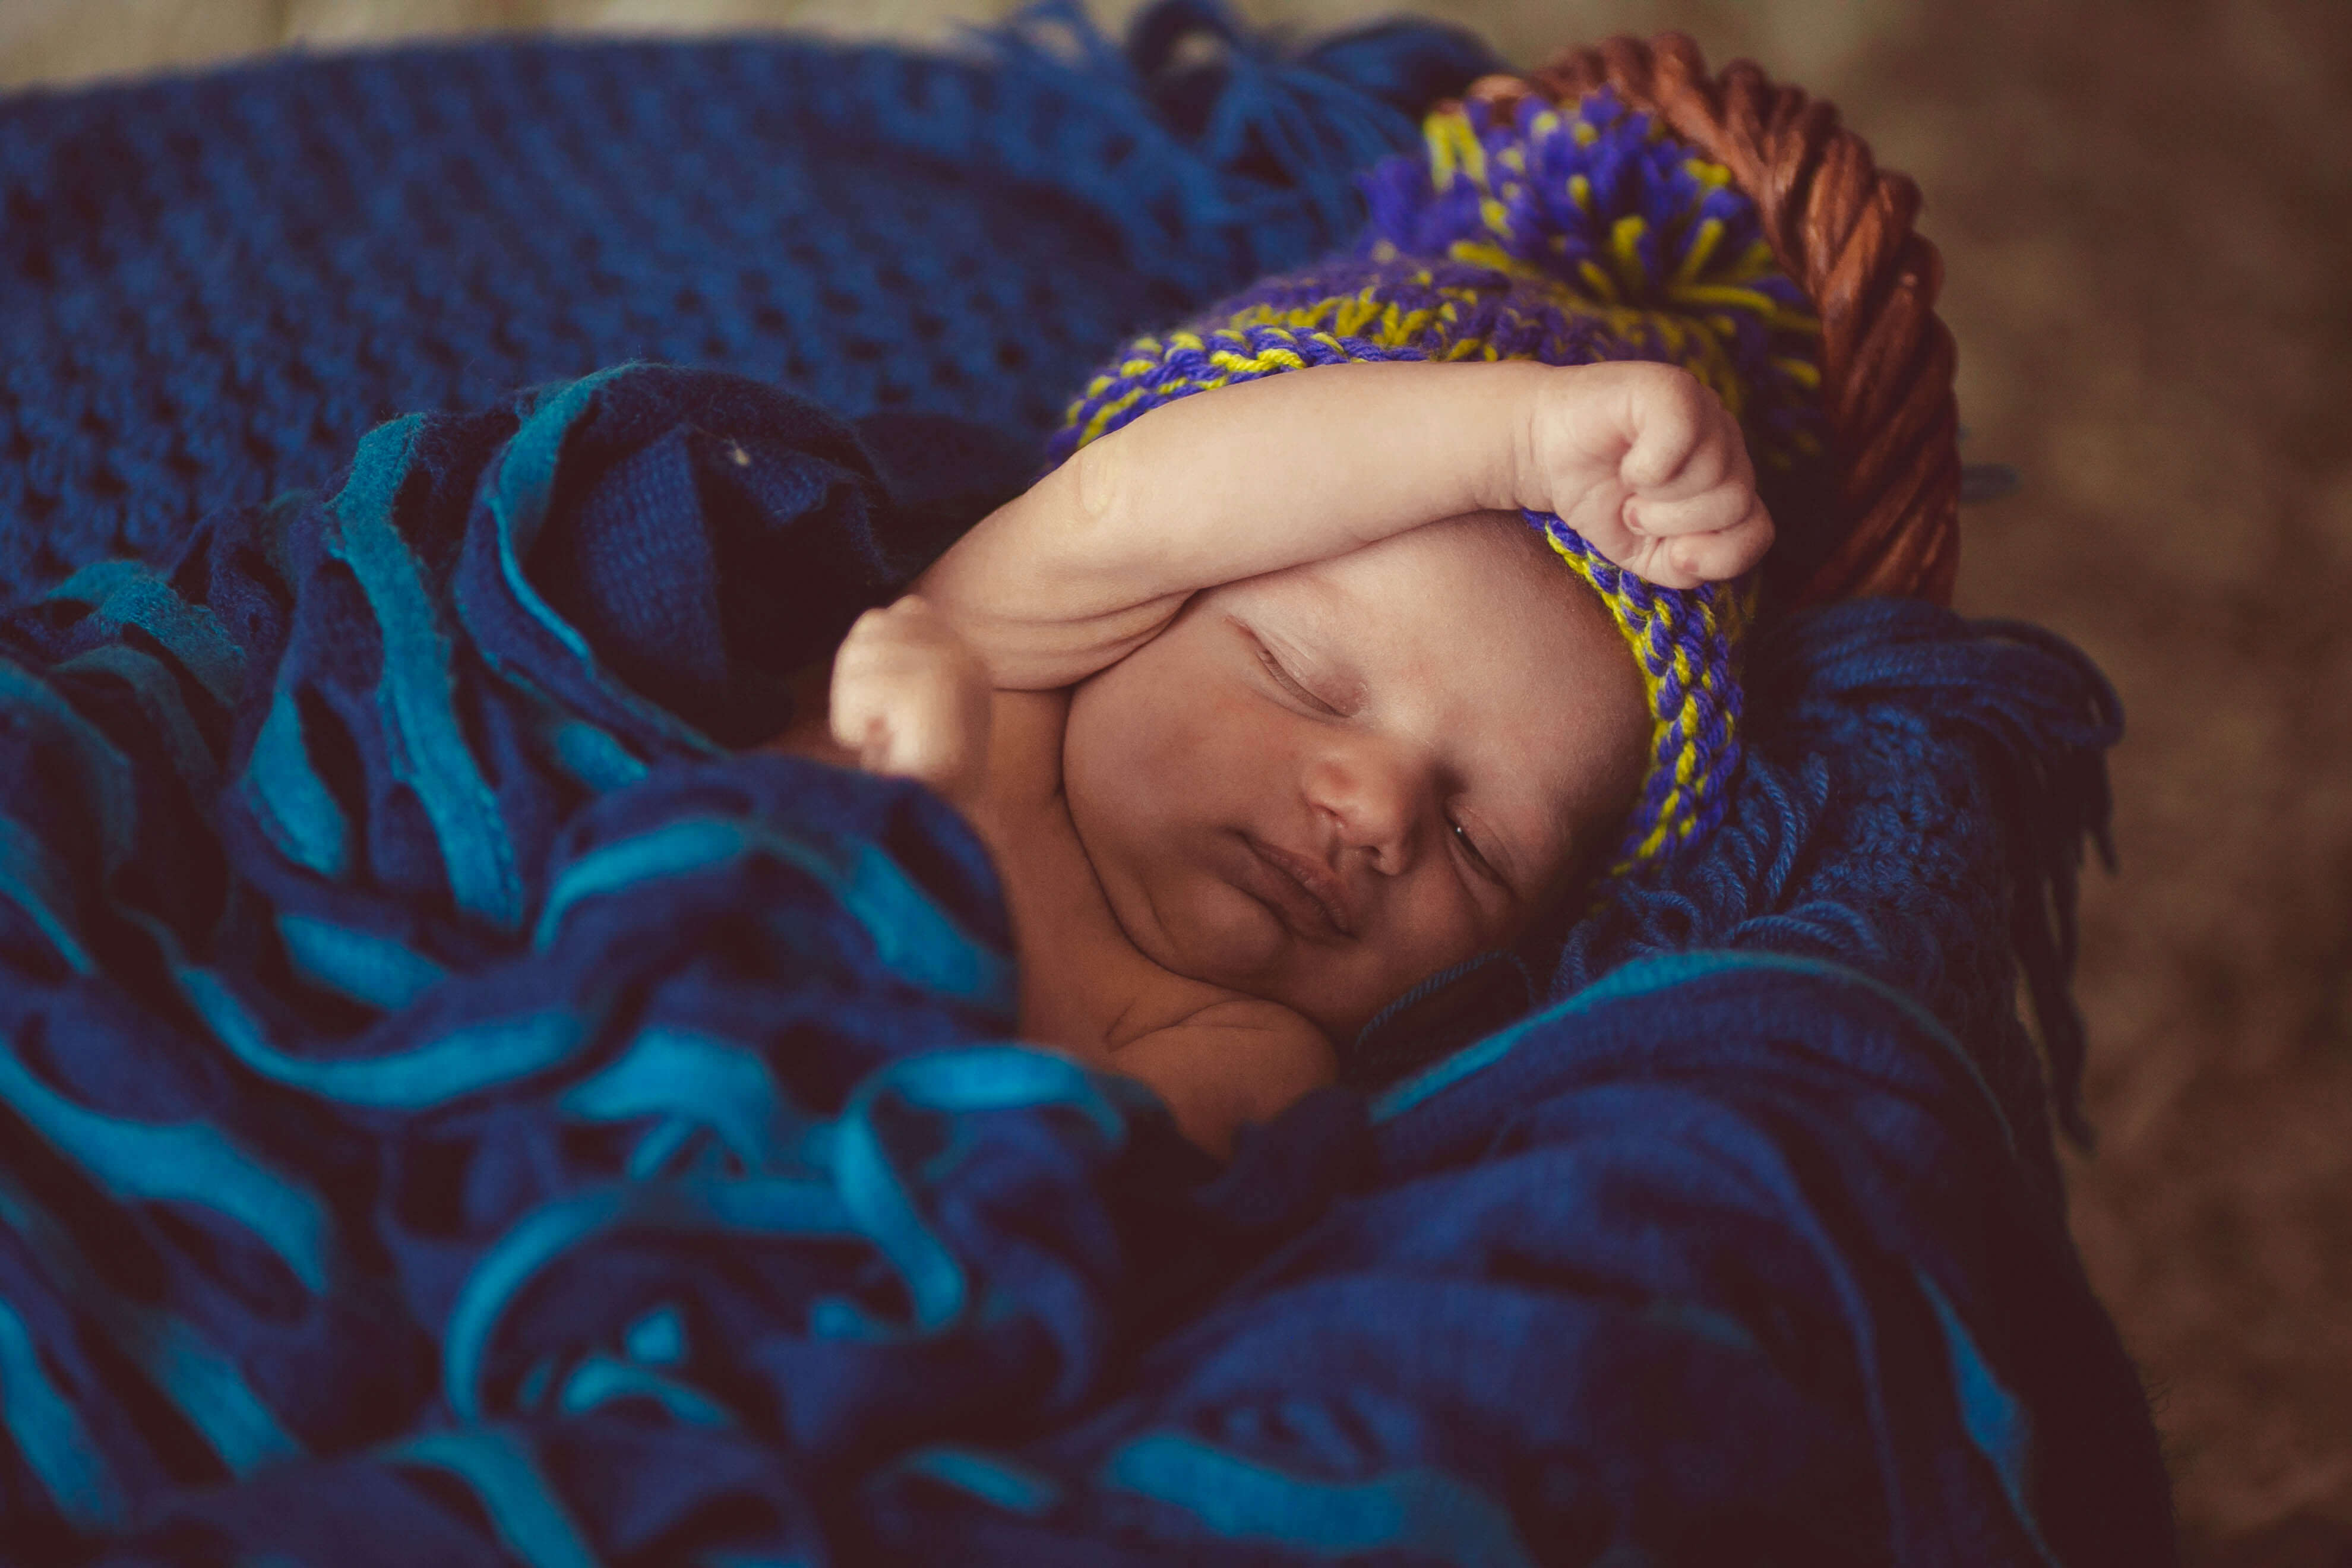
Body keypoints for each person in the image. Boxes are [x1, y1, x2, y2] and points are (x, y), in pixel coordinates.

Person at [770, 354, 1771, 1155]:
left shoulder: (1249, 1050)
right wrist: (1517, 441)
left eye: (1480, 845)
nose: (1379, 810)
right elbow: (1129, 507)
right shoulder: (990, 661)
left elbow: (1029, 1176)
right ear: (1152, 607)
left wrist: (926, 820)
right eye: (1300, 678)